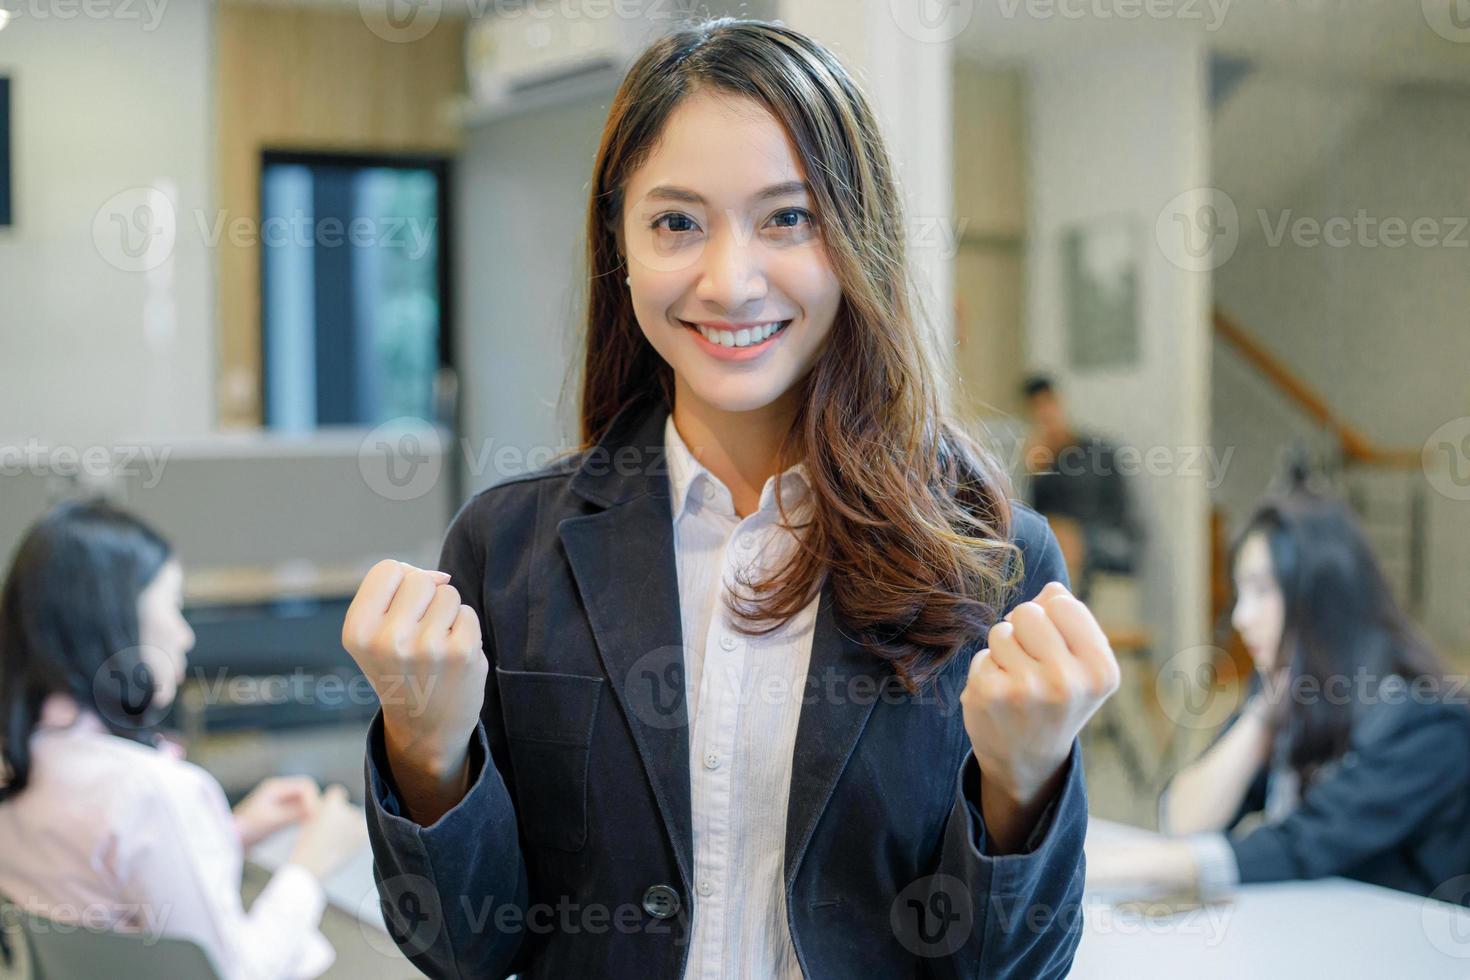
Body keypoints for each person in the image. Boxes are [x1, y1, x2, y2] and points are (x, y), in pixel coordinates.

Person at [346, 19, 1120, 979]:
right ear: (617, 245)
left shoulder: (992, 561)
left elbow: (1008, 967)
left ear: (855, 237)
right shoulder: (507, 550)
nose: (731, 280)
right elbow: (464, 947)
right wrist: (427, 752)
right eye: (676, 222)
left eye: (787, 217)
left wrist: (1024, 778)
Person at [0, 500, 366, 979]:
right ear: (117, 621)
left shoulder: (21, 758)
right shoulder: (152, 790)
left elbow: (99, 889)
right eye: (173, 607)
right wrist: (313, 863)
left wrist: (227, 834)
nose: (185, 635)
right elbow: (237, 973)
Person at [1087, 491, 1470, 902]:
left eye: (1262, 590)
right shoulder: (1290, 692)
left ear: (1324, 596)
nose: (1240, 617)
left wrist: (1128, 867)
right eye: (1240, 593)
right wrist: (1260, 717)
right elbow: (1184, 821)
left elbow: (1302, 846)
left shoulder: (1429, 723)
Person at [1020, 375, 1143, 600]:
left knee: (1064, 536)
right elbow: (1033, 514)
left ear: (1060, 403)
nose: (1045, 415)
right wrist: (1035, 474)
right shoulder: (1043, 462)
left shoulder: (1098, 452)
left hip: (1108, 536)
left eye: (1048, 404)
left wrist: (1075, 532)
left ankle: (1066, 608)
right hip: (1062, 542)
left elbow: (1118, 511)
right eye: (1036, 410)